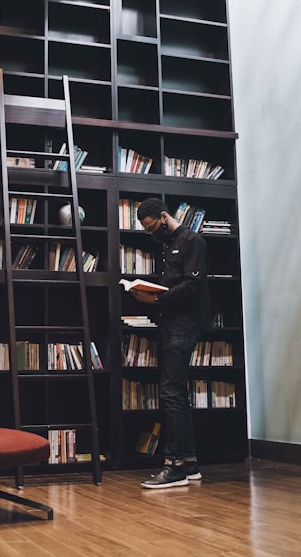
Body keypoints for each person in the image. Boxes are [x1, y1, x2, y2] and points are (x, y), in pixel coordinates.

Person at [131, 198, 211, 489]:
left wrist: (156, 298)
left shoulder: (193, 241)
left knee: (171, 393)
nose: (152, 235)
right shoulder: (167, 245)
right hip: (171, 326)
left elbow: (192, 286)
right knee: (177, 393)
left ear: (163, 217)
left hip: (185, 326)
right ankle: (189, 464)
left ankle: (174, 466)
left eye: (153, 228)